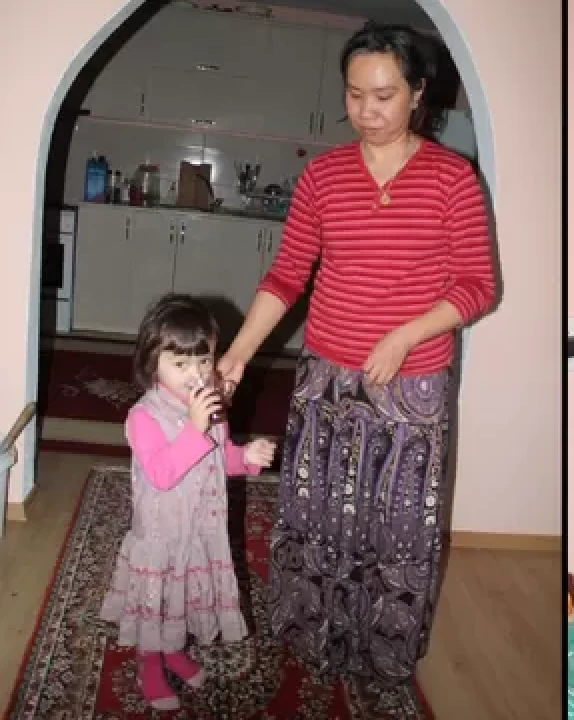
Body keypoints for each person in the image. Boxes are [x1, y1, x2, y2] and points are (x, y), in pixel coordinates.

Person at [215, 21, 496, 686]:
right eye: (355, 94)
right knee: (319, 511)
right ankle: (311, 630)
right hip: (326, 379)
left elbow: (477, 285)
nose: (368, 111)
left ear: (418, 93)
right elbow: (287, 275)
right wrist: (239, 352)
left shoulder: (452, 178)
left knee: (396, 524)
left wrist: (406, 334)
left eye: (385, 96)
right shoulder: (324, 175)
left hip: (412, 384)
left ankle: (382, 646)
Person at [100, 294, 277, 710]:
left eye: (204, 360)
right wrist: (195, 428)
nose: (195, 373)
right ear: (152, 364)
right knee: (158, 602)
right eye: (180, 364)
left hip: (200, 530)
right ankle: (149, 662)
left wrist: (246, 457)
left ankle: (174, 649)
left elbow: (219, 457)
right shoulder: (144, 417)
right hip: (162, 536)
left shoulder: (209, 406)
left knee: (181, 601)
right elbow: (162, 473)